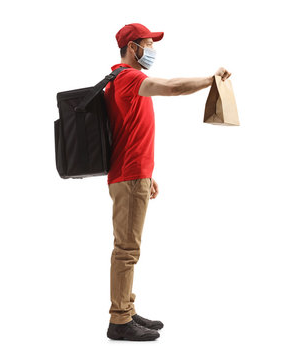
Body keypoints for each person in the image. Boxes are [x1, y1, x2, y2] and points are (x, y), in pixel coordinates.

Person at [104, 23, 231, 341]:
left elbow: (127, 133)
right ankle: (119, 321)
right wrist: (209, 80)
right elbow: (172, 87)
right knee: (127, 250)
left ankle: (128, 310)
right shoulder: (130, 77)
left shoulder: (120, 80)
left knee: (129, 247)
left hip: (134, 175)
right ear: (133, 48)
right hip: (130, 177)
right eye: (148, 43)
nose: (152, 50)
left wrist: (148, 175)